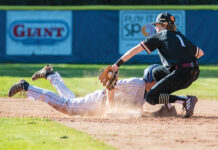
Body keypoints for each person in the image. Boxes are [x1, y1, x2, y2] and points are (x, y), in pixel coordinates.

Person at [110, 12, 204, 118]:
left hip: (181, 73)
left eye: (157, 25)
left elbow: (135, 50)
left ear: (164, 25)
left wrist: (116, 65)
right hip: (193, 72)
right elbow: (200, 53)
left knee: (151, 97)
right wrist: (185, 61)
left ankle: (185, 101)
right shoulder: (179, 35)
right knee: (157, 72)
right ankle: (168, 108)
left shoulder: (161, 36)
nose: (155, 28)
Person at [8, 64, 177, 117]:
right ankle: (27, 87)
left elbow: (137, 109)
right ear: (151, 80)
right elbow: (110, 85)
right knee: (67, 107)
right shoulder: (136, 83)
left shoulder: (147, 92)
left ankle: (51, 75)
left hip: (98, 101)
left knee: (71, 101)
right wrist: (111, 109)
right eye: (157, 81)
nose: (159, 84)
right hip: (99, 100)